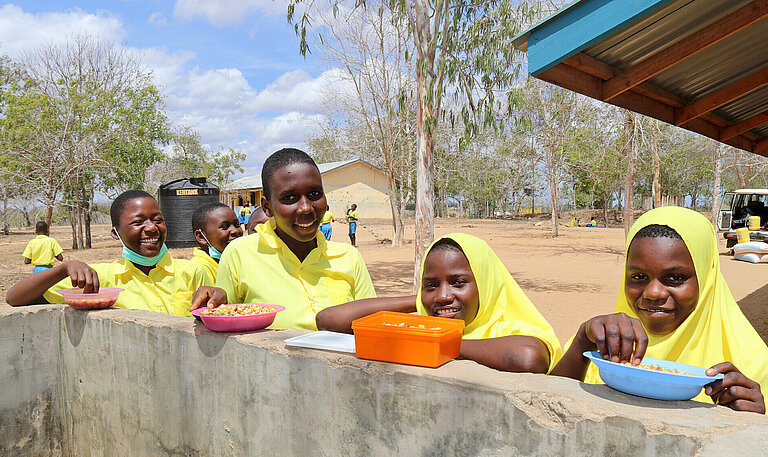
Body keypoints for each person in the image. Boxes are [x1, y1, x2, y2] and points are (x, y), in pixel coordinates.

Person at [551, 206, 767, 413]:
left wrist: (754, 419)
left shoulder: (752, 363)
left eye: (675, 278)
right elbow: (547, 402)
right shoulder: (602, 343)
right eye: (638, 277)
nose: (653, 293)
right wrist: (581, 341)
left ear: (707, 278)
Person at [316, 233, 562, 373]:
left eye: (458, 282)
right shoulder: (426, 323)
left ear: (485, 284)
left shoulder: (509, 329)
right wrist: (419, 302)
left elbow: (529, 359)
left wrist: (438, 345)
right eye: (431, 285)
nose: (443, 295)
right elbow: (328, 320)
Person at [191, 148, 377, 330]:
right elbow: (225, 315)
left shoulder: (349, 257)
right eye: (289, 197)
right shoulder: (240, 254)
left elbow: (372, 323)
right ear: (267, 207)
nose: (306, 208)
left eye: (314, 194)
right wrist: (212, 301)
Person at [6, 190, 212, 316]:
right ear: (116, 233)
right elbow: (14, 298)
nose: (151, 228)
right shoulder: (100, 279)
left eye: (157, 219)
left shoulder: (193, 272)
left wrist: (218, 296)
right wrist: (64, 268)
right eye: (138, 222)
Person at [190, 202, 243, 282]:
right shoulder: (199, 270)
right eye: (224, 227)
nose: (235, 231)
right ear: (201, 237)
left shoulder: (237, 261)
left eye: (237, 225)